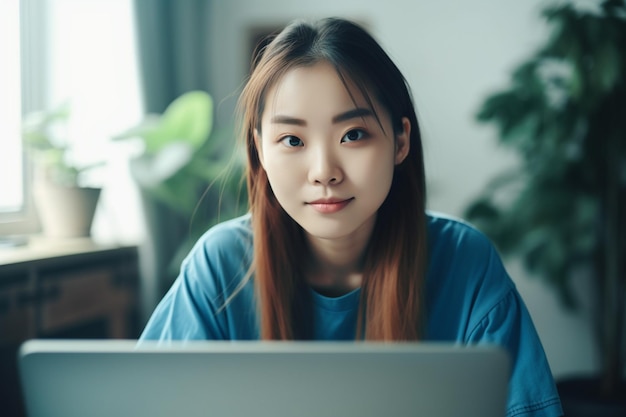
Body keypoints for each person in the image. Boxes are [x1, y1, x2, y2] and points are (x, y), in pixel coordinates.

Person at [139, 17, 563, 417]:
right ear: (259, 151)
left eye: (353, 135)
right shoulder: (221, 267)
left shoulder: (464, 263)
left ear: (400, 141)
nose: (324, 171)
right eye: (291, 139)